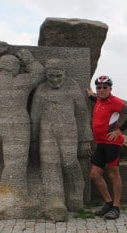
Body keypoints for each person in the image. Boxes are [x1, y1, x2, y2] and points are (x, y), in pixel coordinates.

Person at [0, 42, 44, 218]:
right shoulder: (20, 81)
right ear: (15, 69)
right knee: (14, 166)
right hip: (16, 129)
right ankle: (11, 204)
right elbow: (40, 74)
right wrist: (28, 60)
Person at [31, 58, 92, 221]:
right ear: (46, 75)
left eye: (58, 76)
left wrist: (85, 139)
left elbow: (82, 113)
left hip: (69, 130)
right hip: (46, 131)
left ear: (64, 73)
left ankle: (76, 191)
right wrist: (33, 140)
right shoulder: (41, 90)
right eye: (51, 76)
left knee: (69, 161)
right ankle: (54, 200)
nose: (55, 80)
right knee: (50, 164)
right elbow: (35, 116)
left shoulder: (72, 86)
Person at [86, 75, 127, 219]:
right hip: (101, 144)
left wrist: (119, 130)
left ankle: (116, 207)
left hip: (113, 144)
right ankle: (108, 203)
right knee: (94, 175)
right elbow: (95, 98)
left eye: (105, 88)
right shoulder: (98, 99)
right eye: (99, 88)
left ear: (110, 89)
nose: (101, 90)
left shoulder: (115, 102)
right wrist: (91, 94)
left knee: (113, 174)